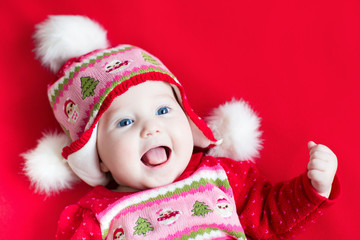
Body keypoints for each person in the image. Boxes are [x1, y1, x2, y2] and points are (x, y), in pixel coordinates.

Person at [23, 15, 339, 240]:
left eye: (163, 110)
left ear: (188, 121)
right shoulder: (97, 217)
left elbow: (271, 216)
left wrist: (313, 188)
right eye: (125, 122)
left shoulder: (220, 177)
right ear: (99, 157)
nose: (151, 128)